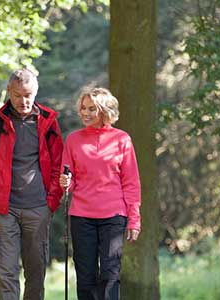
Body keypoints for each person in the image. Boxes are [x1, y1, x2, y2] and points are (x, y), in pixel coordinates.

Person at [0, 68, 63, 300]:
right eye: (18, 95)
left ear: (36, 91)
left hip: (38, 207)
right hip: (4, 208)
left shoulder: (48, 122)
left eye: (28, 95)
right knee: (6, 271)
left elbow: (60, 164)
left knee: (36, 271)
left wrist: (50, 202)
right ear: (9, 92)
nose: (24, 101)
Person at [59, 87, 141, 300]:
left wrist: (134, 219)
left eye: (91, 109)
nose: (85, 113)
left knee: (109, 274)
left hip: (113, 216)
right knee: (85, 277)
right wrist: (65, 182)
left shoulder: (122, 139)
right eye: (83, 108)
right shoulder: (73, 140)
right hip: (81, 216)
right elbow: (69, 180)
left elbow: (131, 182)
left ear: (104, 111)